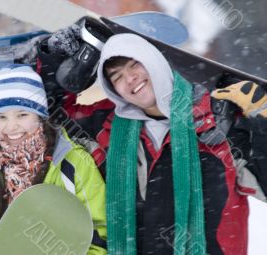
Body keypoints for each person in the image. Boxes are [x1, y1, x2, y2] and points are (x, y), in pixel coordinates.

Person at [39, 30, 267, 254]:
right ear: (113, 89)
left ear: (154, 61)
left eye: (135, 65)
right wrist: (59, 58)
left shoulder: (217, 119)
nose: (129, 78)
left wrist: (262, 117)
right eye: (116, 76)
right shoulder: (106, 128)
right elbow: (42, 115)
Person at [0, 65, 107, 254]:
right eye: (1, 117)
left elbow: (96, 232)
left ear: (40, 117)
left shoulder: (71, 160)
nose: (11, 127)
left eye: (22, 115)